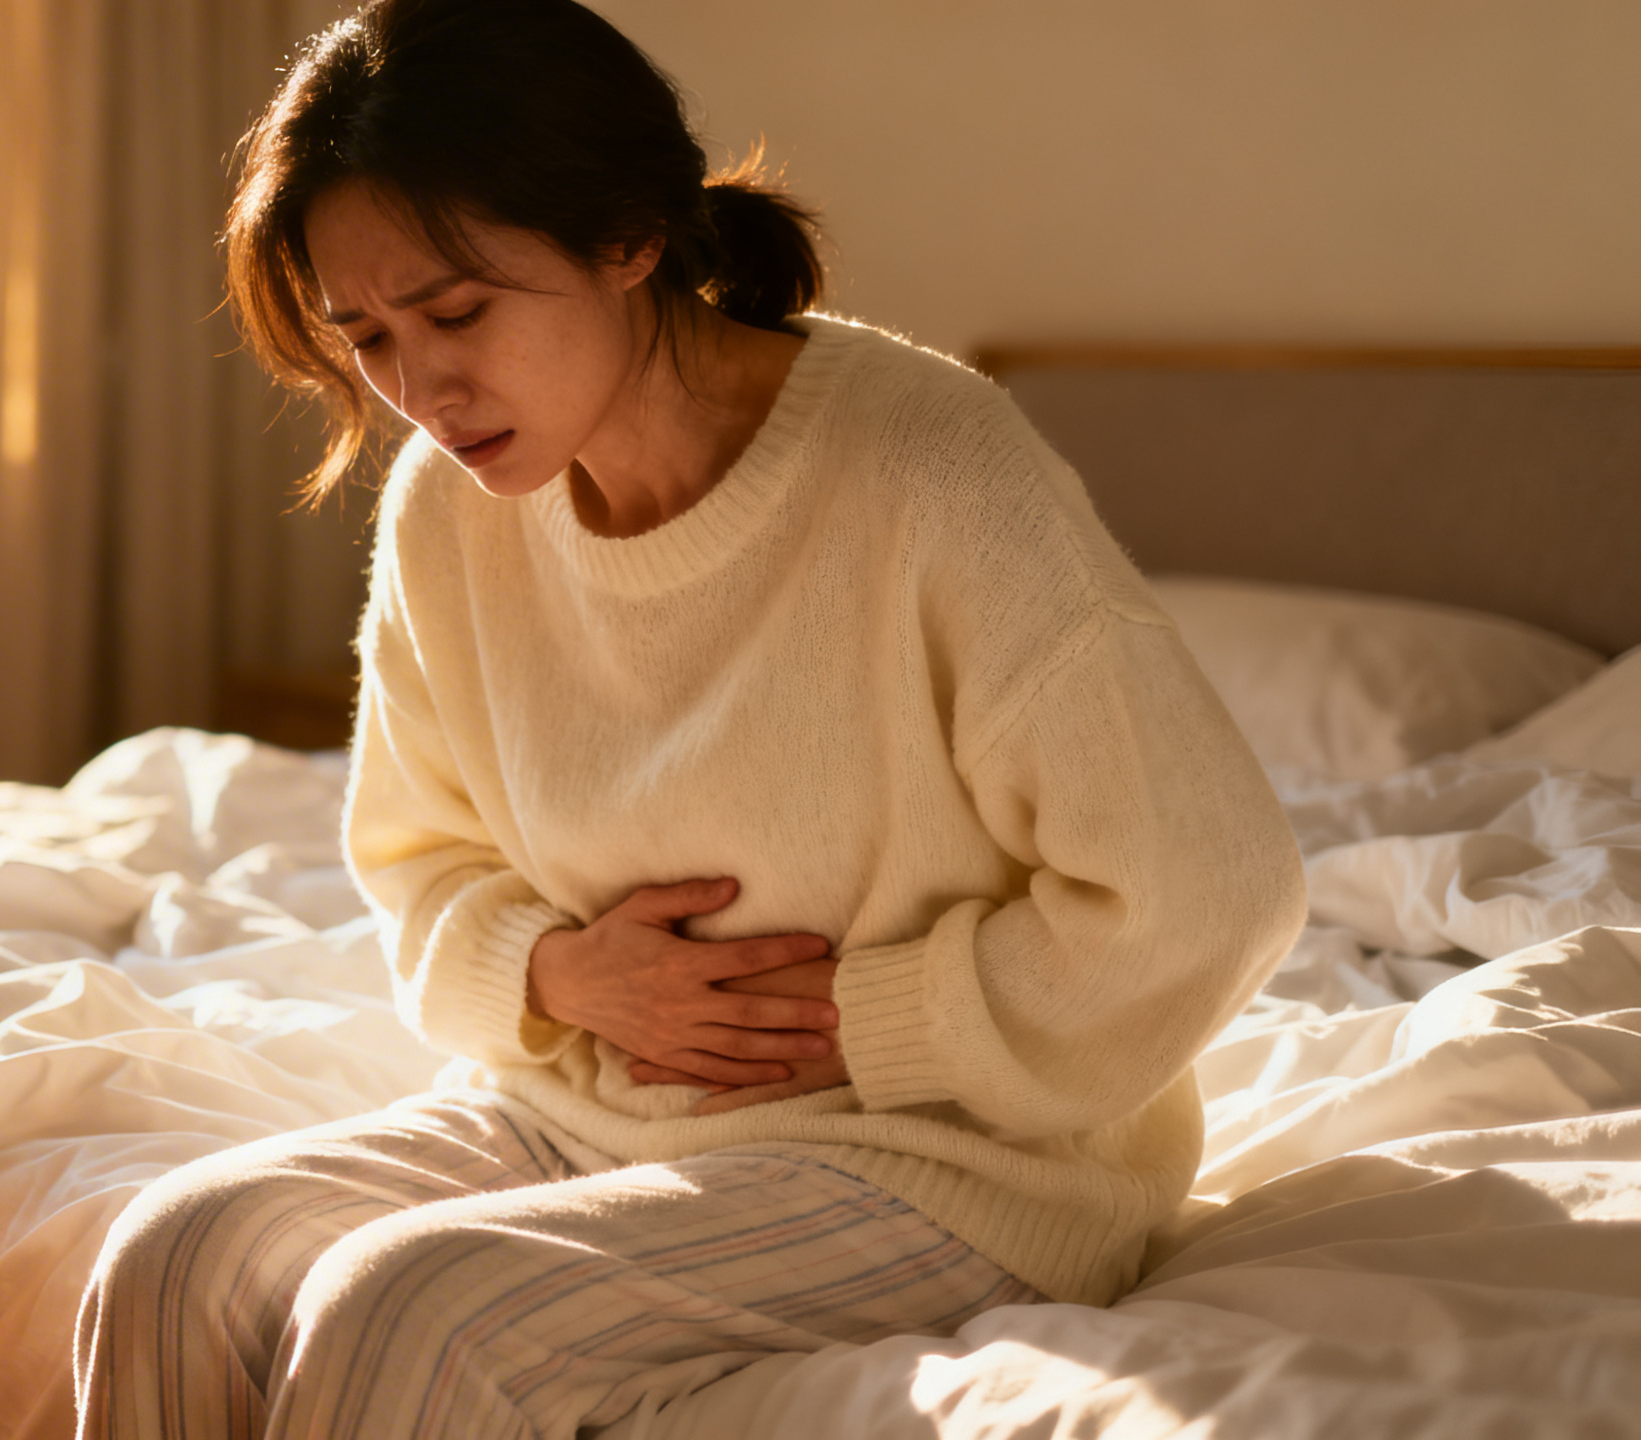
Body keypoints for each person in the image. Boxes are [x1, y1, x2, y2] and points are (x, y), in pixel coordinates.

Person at [75, 0, 1306, 1435]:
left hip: (946, 1160)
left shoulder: (930, 471)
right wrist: (554, 977)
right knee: (169, 1259)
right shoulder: (449, 514)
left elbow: (1211, 887)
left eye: (459, 313)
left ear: (628, 238)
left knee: (410, 1310)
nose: (420, 392)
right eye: (366, 340)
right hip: (593, 1115)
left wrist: (874, 1018)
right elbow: (418, 859)